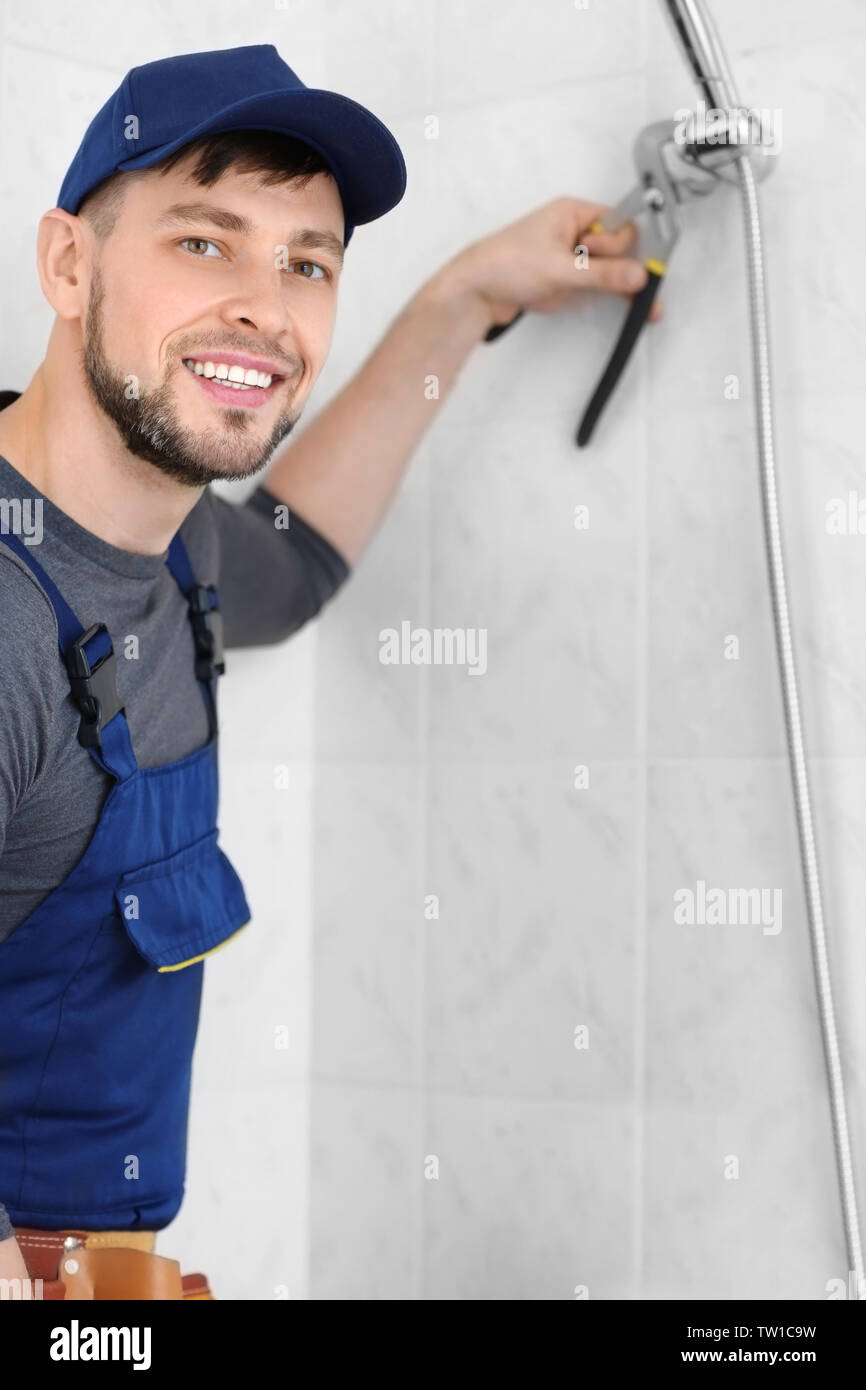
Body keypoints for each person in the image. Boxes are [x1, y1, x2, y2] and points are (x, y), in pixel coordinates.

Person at [0, 43, 651, 1299]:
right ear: (69, 265)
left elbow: (289, 567)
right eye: (206, 241)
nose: (267, 304)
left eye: (308, 263)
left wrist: (464, 297)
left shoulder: (162, 537)